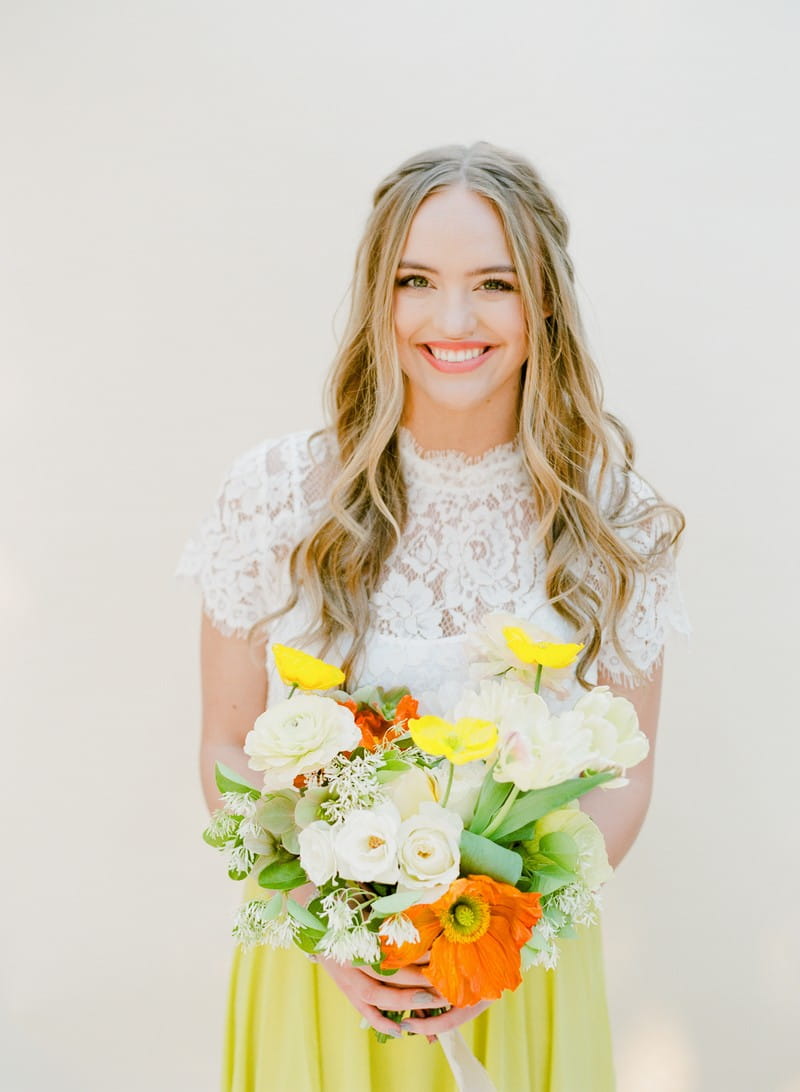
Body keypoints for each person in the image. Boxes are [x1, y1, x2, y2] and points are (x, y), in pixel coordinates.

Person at [176, 141, 688, 1092]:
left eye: (493, 283)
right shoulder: (276, 496)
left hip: (519, 982)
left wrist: (503, 950)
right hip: (321, 983)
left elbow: (626, 777)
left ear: (543, 305)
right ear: (380, 297)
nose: (453, 319)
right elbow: (227, 736)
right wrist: (325, 932)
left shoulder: (613, 518)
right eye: (417, 280)